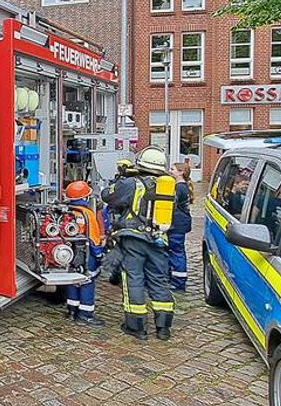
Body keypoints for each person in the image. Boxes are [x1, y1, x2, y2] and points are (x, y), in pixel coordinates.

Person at [103, 146, 175, 341]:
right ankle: (163, 328)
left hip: (133, 238)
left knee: (133, 278)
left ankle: (136, 326)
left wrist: (120, 178)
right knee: (159, 280)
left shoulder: (132, 183)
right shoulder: (167, 186)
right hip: (158, 239)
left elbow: (108, 196)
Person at [63, 181, 105, 327]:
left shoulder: (66, 212)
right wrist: (98, 254)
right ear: (85, 197)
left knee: (72, 280)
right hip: (86, 253)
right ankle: (85, 314)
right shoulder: (87, 214)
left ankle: (72, 310)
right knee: (87, 280)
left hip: (69, 252)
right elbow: (94, 237)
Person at [167, 163, 194, 291]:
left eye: (172, 169)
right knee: (176, 250)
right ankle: (175, 277)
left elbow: (172, 205)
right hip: (181, 223)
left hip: (177, 224)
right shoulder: (183, 186)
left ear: (181, 172)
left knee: (176, 251)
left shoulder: (179, 188)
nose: (170, 171)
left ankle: (178, 281)